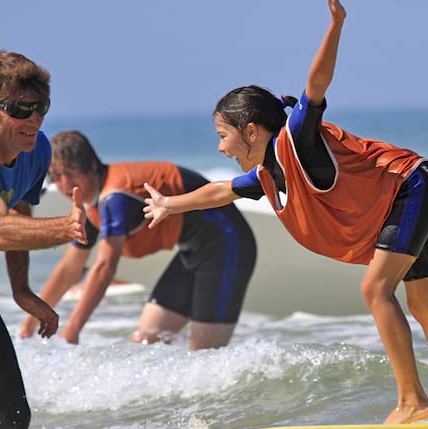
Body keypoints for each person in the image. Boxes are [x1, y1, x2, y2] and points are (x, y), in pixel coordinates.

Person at [143, 0, 428, 424]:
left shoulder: (298, 139)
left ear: (251, 131)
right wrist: (168, 204)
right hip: (414, 190)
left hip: (413, 185)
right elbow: (220, 191)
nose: (220, 147)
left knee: (376, 290)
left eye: (222, 136)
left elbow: (316, 84)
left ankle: (412, 401)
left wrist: (337, 25)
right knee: (423, 305)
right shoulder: (271, 174)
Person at [19, 130, 257, 350]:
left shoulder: (115, 197)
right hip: (192, 253)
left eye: (70, 172)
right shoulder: (94, 203)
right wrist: (31, 321)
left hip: (227, 245)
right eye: (56, 176)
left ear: (90, 166)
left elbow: (104, 268)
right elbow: (69, 268)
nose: (64, 184)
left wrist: (72, 329)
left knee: (204, 354)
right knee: (145, 341)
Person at [0, 51, 86, 429]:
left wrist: (21, 290)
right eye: (21, 109)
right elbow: (0, 230)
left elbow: (19, 206)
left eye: (41, 107)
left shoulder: (34, 150)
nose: (34, 119)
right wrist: (67, 227)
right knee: (0, 408)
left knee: (8, 414)